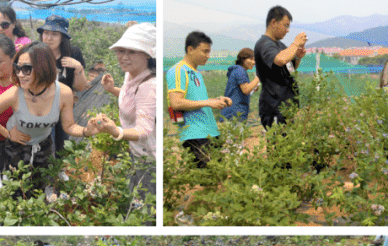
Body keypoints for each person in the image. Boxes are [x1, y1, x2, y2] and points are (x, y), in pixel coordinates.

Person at [0, 42, 92, 192]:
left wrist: (87, 131)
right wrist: (8, 134)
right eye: (18, 68)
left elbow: (69, 126)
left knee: (40, 187)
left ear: (43, 68)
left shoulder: (63, 93)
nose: (20, 74)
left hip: (44, 145)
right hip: (17, 148)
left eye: (26, 69)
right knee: (17, 190)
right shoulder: (15, 93)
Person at [89, 22, 157, 160]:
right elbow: (136, 99)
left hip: (148, 158)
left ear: (148, 54)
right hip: (136, 150)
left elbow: (144, 131)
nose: (124, 57)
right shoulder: (131, 73)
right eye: (121, 50)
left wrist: (116, 131)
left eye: (132, 51)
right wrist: (112, 89)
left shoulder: (149, 87)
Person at [167, 31, 232, 168]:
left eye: (209, 52)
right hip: (195, 134)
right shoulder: (178, 70)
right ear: (190, 49)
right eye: (205, 51)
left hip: (209, 131)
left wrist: (217, 100)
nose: (208, 56)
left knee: (218, 174)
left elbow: (198, 100)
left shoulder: (196, 73)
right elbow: (176, 102)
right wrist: (208, 102)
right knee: (208, 178)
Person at [36, 15, 88, 156]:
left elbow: (81, 87)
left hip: (64, 107)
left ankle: (59, 168)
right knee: (43, 141)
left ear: (62, 37)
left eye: (54, 34)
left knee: (62, 138)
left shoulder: (73, 53)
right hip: (41, 107)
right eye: (46, 33)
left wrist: (78, 68)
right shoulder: (36, 53)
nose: (49, 38)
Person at [255, 5, 305, 129]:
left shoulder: (280, 45)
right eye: (286, 25)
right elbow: (280, 59)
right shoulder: (265, 44)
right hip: (274, 106)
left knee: (287, 143)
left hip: (285, 106)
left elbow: (290, 69)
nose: (287, 30)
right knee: (278, 145)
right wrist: (295, 43)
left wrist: (297, 57)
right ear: (273, 22)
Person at [221, 48, 261, 122]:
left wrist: (252, 89)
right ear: (243, 59)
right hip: (235, 114)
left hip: (232, 112)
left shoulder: (237, 70)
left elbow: (240, 92)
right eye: (251, 59)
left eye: (254, 60)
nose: (253, 62)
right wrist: (258, 77)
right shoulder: (240, 71)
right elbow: (246, 90)